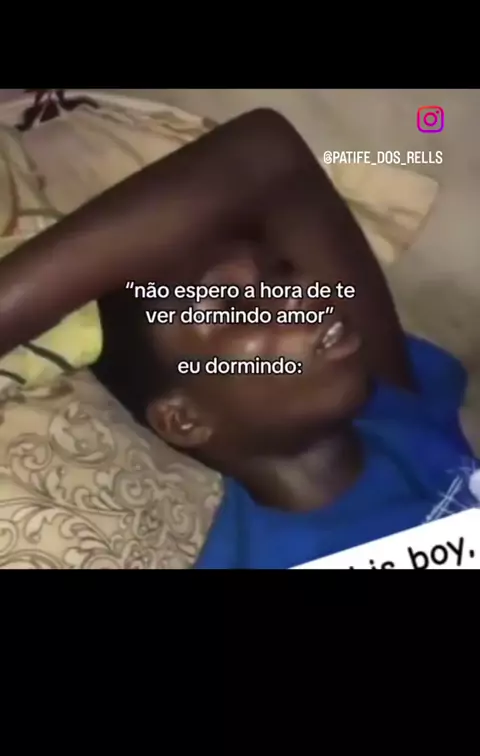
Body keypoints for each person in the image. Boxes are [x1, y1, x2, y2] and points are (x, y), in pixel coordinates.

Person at [0, 109, 477, 569]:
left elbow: (264, 157)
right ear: (185, 418)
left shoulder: (394, 411)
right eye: (234, 305)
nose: (301, 289)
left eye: (283, 271)